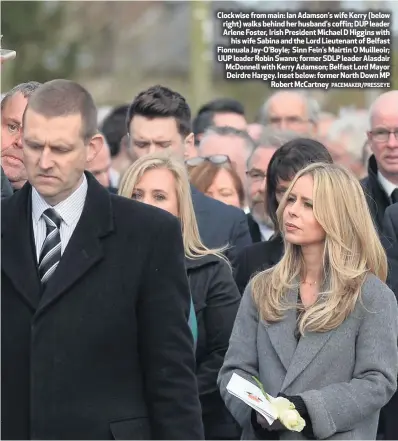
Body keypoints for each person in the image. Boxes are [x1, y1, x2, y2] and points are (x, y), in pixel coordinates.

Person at [1, 79, 204, 440]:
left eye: (60, 148)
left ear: (91, 148)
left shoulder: (147, 233)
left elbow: (170, 374)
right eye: (34, 146)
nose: (44, 162)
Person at [218, 162, 398, 440]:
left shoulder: (372, 295)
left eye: (308, 204)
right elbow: (234, 370)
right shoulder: (262, 287)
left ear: (338, 215)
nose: (291, 210)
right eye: (291, 199)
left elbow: (377, 382)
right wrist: (256, 413)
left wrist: (306, 408)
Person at [118, 152, 241, 440]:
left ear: (180, 208)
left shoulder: (212, 271)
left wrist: (171, 402)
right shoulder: (97, 270)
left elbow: (226, 354)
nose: (146, 205)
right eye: (136, 195)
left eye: (159, 196)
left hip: (194, 422)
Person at [126, 85, 252, 264]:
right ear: (128, 144)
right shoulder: (102, 214)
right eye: (141, 144)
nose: (151, 154)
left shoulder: (226, 222)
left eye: (163, 144)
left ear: (188, 144)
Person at [234, 138, 333, 294]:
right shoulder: (251, 261)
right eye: (284, 193)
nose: (292, 209)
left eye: (306, 200)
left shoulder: (358, 265)